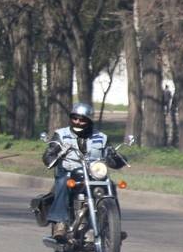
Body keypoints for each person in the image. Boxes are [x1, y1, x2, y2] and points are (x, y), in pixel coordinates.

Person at [41, 102, 125, 239]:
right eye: (75, 118)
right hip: (69, 172)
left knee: (110, 185)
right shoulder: (61, 135)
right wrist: (51, 157)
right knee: (64, 183)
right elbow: (50, 151)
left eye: (82, 119)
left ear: (89, 120)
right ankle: (60, 223)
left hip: (94, 174)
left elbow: (110, 153)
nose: (78, 122)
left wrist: (116, 158)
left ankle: (114, 226)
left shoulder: (101, 137)